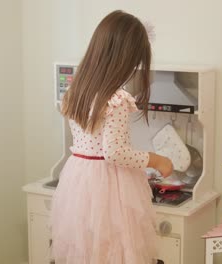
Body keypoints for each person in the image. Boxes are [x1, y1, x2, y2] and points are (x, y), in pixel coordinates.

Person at [50, 10, 173, 264]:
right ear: (124, 58)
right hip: (109, 185)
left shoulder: (77, 91)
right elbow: (115, 152)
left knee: (86, 249)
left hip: (78, 179)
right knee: (115, 250)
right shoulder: (115, 99)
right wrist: (155, 159)